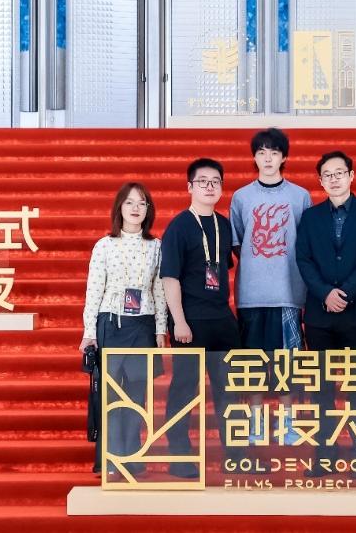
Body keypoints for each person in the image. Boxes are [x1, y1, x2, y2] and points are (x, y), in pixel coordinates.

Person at [295, 150, 356, 479]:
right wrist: (325, 293)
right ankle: (325, 454)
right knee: (321, 388)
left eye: (339, 173)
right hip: (319, 315)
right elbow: (303, 259)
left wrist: (344, 293)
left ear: (351, 176)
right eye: (327, 175)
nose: (333, 179)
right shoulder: (310, 217)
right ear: (320, 181)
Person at [161, 158, 242, 478]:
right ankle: (179, 456)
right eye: (202, 181)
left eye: (215, 182)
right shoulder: (179, 226)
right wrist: (179, 321)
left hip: (222, 319)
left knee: (229, 390)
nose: (209, 187)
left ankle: (235, 455)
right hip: (190, 322)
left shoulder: (224, 224)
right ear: (189, 187)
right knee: (184, 389)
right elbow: (170, 278)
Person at [230, 128, 311, 445]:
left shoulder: (300, 196)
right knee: (252, 363)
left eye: (274, 152)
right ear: (254, 157)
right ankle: (255, 422)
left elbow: (306, 243)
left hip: (288, 293)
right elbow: (238, 243)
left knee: (287, 364)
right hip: (251, 295)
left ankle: (288, 422)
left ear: (284, 157)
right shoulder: (241, 197)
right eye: (262, 152)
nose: (268, 158)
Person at [79, 182, 167, 476]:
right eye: (129, 202)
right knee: (110, 394)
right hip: (111, 323)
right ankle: (109, 459)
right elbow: (94, 290)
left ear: (148, 210)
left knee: (137, 395)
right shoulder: (104, 245)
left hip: (142, 325)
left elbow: (159, 290)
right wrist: (89, 332)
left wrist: (160, 329)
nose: (135, 208)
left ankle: (133, 457)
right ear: (119, 207)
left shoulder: (156, 247)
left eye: (142, 203)